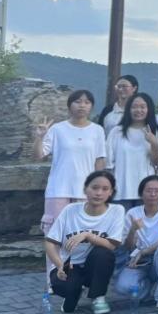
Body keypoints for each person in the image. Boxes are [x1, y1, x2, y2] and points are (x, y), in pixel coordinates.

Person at [44, 170, 125, 314]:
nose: (99, 193)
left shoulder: (116, 211)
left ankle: (98, 297)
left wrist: (88, 235)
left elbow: (112, 245)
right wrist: (59, 265)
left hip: (93, 266)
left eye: (105, 189)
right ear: (85, 189)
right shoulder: (70, 210)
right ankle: (74, 292)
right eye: (94, 188)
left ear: (111, 193)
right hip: (70, 265)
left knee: (104, 254)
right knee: (64, 295)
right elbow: (50, 242)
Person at [34, 89, 106, 234]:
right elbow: (39, 155)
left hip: (85, 190)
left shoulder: (97, 130)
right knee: (55, 232)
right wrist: (39, 137)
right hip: (58, 188)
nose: (82, 105)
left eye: (87, 102)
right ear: (69, 105)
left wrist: (99, 187)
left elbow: (100, 160)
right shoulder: (57, 129)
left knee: (83, 232)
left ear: (91, 107)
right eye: (77, 102)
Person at [114, 175, 158, 309]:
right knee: (123, 287)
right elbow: (128, 246)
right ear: (141, 193)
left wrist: (144, 252)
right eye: (148, 190)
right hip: (140, 261)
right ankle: (148, 289)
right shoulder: (132, 213)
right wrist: (133, 230)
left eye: (157, 191)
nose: (153, 194)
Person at [106, 93, 158, 210]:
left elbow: (156, 162)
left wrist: (154, 143)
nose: (138, 110)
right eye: (134, 107)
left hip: (146, 192)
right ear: (128, 109)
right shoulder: (117, 132)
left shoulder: (155, 132)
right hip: (121, 191)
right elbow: (109, 164)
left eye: (142, 107)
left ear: (149, 109)